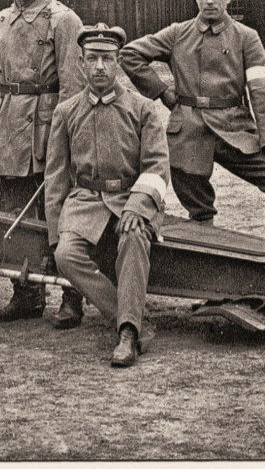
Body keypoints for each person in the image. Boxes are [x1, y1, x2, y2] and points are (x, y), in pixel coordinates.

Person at [119, 0, 265, 245]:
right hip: (187, 131)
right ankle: (210, 255)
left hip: (232, 128)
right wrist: (163, 91)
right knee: (198, 206)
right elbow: (130, 54)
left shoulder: (246, 37)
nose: (210, 0)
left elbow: (261, 89)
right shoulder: (178, 33)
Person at [0, 0, 86, 326]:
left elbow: (74, 90)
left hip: (49, 130)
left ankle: (72, 297)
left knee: (60, 213)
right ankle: (26, 294)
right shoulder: (3, 20)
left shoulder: (63, 19)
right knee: (15, 214)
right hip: (11, 133)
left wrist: (63, 139)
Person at [46, 23, 170, 367]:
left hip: (130, 196)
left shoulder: (143, 109)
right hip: (85, 201)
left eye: (107, 59)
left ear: (117, 63)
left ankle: (128, 333)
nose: (100, 67)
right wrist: (55, 233)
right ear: (82, 63)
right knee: (66, 255)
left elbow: (157, 167)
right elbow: (56, 177)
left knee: (133, 237)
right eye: (92, 59)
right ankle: (128, 315)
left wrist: (139, 205)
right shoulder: (67, 112)